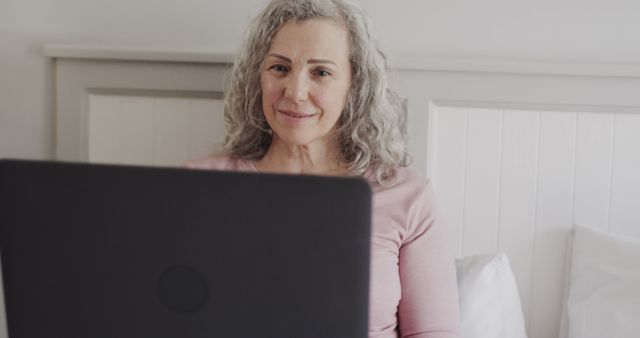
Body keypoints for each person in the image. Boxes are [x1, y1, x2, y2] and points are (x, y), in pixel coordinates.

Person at [186, 0, 460, 337]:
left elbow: (435, 332)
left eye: (321, 72)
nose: (296, 91)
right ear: (258, 76)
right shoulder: (194, 186)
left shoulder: (408, 197)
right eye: (279, 68)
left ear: (354, 85)